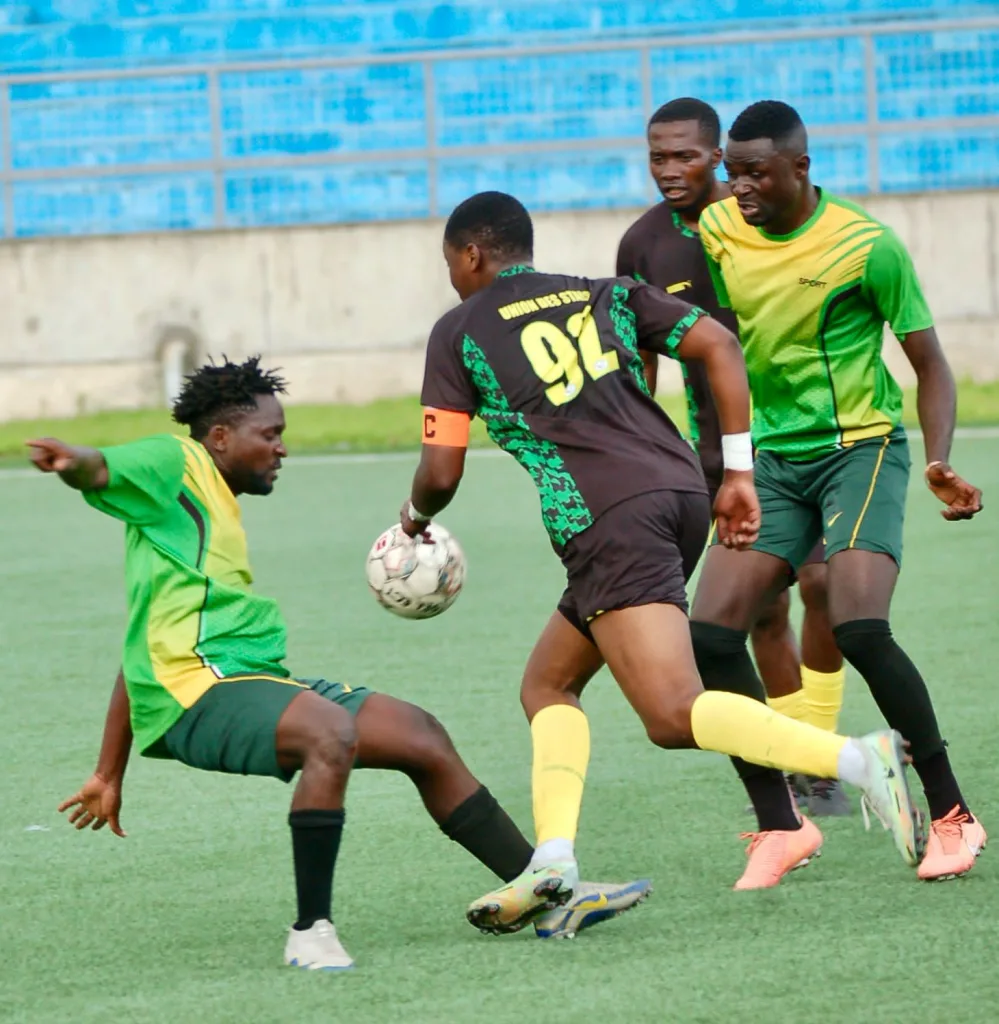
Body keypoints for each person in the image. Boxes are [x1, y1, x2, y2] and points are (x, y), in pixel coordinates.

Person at [397, 189, 919, 930]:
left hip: (608, 520)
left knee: (671, 714)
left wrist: (413, 519)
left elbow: (440, 473)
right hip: (677, 495)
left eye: (451, 262)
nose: (452, 276)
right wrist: (737, 473)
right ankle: (553, 860)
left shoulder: (459, 329)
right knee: (547, 686)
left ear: (470, 254)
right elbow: (717, 344)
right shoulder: (597, 294)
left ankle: (861, 762)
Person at [30, 357, 647, 972]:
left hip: (248, 674)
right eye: (269, 435)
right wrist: (73, 462)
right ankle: (310, 933)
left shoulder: (210, 503)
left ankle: (545, 893)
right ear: (219, 437)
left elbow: (140, 644)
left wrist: (109, 773)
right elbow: (102, 466)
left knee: (420, 735)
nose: (282, 449)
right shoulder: (178, 462)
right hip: (198, 694)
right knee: (331, 732)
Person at [691, 99, 986, 883]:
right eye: (732, 170)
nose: (740, 186)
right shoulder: (719, 229)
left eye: (755, 171)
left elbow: (930, 366)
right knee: (711, 633)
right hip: (774, 463)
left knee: (857, 624)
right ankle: (779, 824)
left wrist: (936, 460)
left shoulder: (866, 246)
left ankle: (952, 815)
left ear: (800, 167)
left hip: (860, 449)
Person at [617, 96, 849, 817]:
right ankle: (797, 764)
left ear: (718, 157)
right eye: (657, 157)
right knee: (762, 614)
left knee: (823, 591)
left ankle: (819, 745)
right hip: (713, 461)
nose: (669, 170)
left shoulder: (753, 219)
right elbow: (637, 369)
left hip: (796, 441)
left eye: (685, 155)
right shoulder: (641, 245)